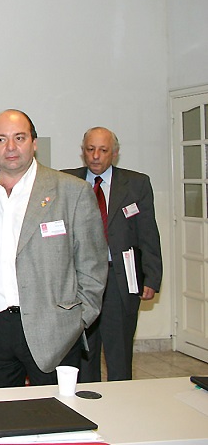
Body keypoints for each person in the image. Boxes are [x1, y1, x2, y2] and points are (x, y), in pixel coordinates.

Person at [0, 110, 107, 387]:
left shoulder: (71, 191)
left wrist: (76, 321)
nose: (11, 147)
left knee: (55, 411)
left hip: (54, 330)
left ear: (34, 143)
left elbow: (93, 265)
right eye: (1, 139)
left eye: (19, 138)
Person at [63, 127, 162, 382]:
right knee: (84, 352)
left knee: (119, 352)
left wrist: (152, 277)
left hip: (120, 279)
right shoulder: (65, 181)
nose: (96, 156)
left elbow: (148, 232)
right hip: (79, 282)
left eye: (103, 150)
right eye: (90, 149)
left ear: (115, 153)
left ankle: (121, 400)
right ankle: (87, 398)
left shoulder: (137, 184)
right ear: (83, 151)